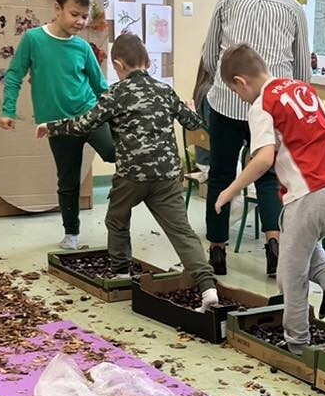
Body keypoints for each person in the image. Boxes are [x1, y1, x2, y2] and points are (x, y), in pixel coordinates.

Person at [37, 34, 219, 308]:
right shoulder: (165, 90)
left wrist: (51, 127)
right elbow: (193, 123)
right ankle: (208, 287)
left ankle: (121, 273)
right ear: (148, 62)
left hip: (132, 176)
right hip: (167, 175)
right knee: (182, 232)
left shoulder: (116, 94)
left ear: (118, 65)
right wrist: (192, 109)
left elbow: (84, 124)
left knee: (117, 219)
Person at [214, 44, 325, 348]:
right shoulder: (302, 88)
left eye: (236, 92)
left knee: (290, 274)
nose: (240, 99)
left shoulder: (262, 104)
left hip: (309, 193)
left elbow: (263, 159)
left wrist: (230, 190)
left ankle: (296, 345)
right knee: (296, 242)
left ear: (241, 82)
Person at [200, 0, 310, 280]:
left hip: (226, 101)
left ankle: (217, 250)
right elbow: (302, 73)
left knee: (220, 174)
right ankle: (274, 247)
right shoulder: (293, 9)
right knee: (269, 178)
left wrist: (227, 82)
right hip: (271, 106)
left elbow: (209, 56)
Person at [0, 0, 116, 250]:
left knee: (113, 152)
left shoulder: (82, 48)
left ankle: (125, 201)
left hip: (87, 114)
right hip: (58, 125)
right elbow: (14, 75)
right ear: (57, 9)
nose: (80, 21)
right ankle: (71, 233)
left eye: (84, 16)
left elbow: (100, 86)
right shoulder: (33, 40)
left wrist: (121, 110)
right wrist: (8, 110)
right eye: (74, 14)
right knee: (68, 180)